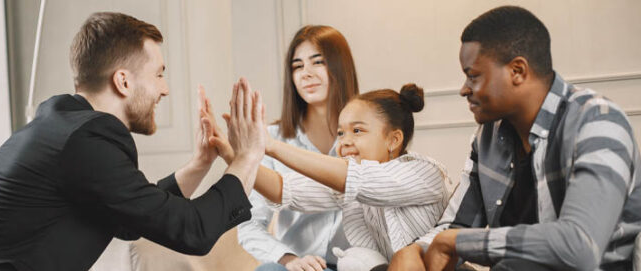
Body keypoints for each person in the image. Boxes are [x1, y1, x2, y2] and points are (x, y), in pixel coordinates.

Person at [0, 12, 266, 271]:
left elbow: (129, 219)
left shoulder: (66, 126)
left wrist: (199, 164)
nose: (165, 88)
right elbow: (194, 231)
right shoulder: (86, 140)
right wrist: (247, 157)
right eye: (158, 74)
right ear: (124, 82)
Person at [388, 6, 641, 271]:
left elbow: (580, 246)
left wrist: (461, 242)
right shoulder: (488, 135)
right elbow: (457, 226)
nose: (464, 89)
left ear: (517, 71)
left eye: (473, 76)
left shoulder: (597, 121)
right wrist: (416, 250)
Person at [202, 82, 451, 271]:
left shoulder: (423, 173)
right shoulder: (348, 186)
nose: (345, 141)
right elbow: (283, 189)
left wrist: (271, 145)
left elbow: (356, 178)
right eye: (341, 133)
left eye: (357, 130)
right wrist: (236, 155)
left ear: (393, 139)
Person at [236, 25, 359, 271]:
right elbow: (249, 223)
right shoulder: (271, 139)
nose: (306, 73)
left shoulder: (368, 135)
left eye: (317, 62)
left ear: (340, 67)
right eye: (298, 66)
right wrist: (288, 259)